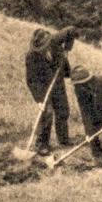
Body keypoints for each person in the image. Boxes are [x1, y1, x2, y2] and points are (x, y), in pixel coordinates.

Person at [25, 26, 77, 155]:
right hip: (43, 88)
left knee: (63, 110)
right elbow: (31, 81)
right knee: (47, 113)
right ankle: (41, 144)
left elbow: (72, 30)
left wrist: (67, 49)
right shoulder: (31, 56)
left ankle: (63, 140)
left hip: (57, 82)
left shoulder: (54, 40)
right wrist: (39, 100)